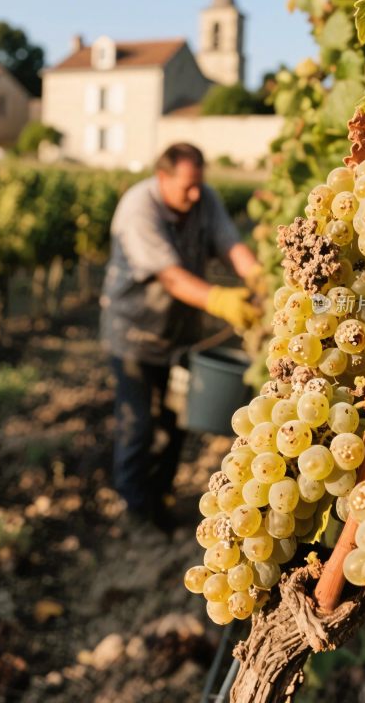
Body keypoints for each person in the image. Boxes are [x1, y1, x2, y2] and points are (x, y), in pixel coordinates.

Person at [100, 143, 262, 531]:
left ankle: (161, 499)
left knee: (174, 422)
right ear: (162, 178)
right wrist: (220, 299)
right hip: (134, 336)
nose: (195, 194)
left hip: (180, 337)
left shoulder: (204, 198)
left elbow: (230, 245)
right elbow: (170, 276)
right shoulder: (138, 209)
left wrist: (259, 278)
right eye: (187, 186)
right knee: (137, 424)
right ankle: (135, 511)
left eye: (199, 185)